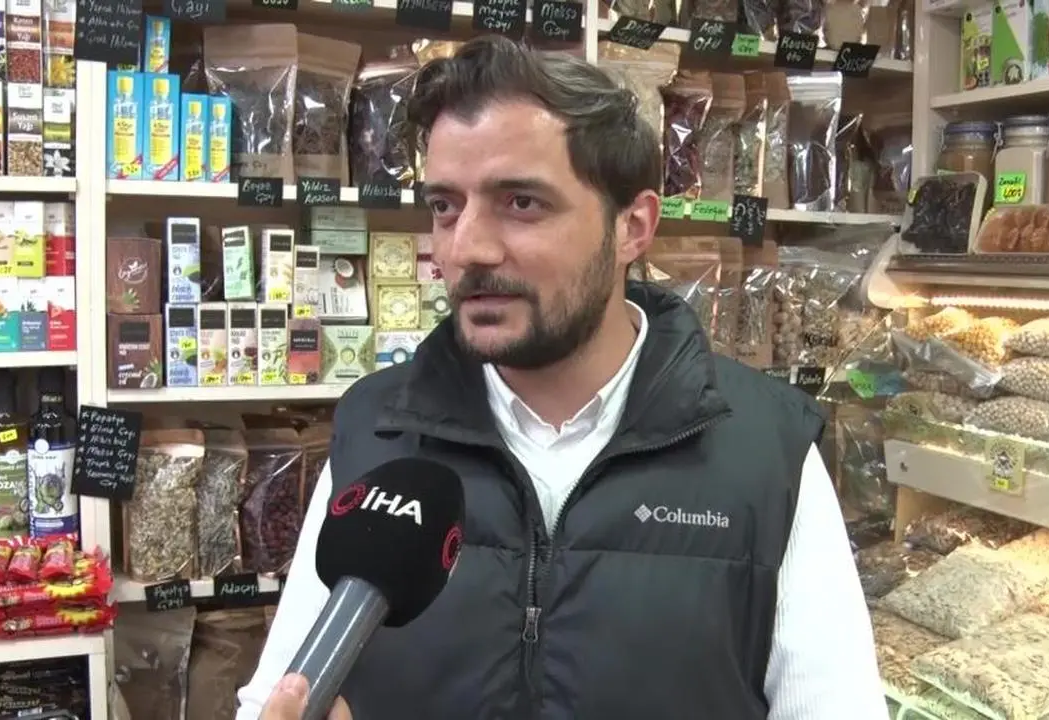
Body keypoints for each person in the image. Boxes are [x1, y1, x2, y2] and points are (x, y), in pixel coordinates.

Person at [239, 35, 885, 720]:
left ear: (632, 227)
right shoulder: (374, 432)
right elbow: (279, 695)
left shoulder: (768, 451)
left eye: (521, 203)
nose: (466, 248)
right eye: (446, 206)